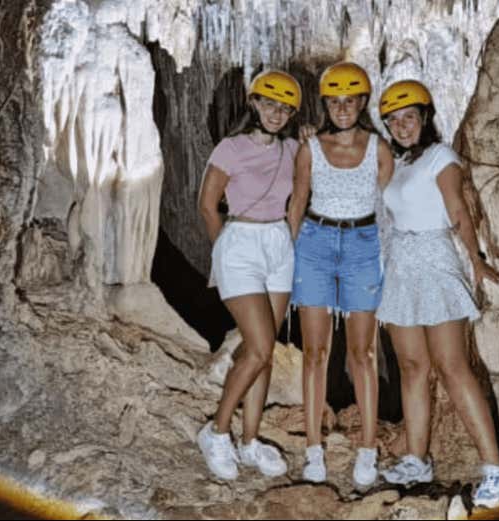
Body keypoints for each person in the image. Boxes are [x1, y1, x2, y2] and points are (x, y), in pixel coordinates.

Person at [375, 80, 499, 508]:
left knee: (452, 367)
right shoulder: (393, 165)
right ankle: (416, 457)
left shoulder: (441, 156)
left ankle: (494, 467)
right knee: (412, 366)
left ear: (424, 118)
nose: (402, 126)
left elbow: (457, 211)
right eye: (394, 121)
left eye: (409, 117)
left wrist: (475, 259)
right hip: (399, 264)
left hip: (434, 259)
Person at [287, 62, 394, 488]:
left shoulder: (378, 148)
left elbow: (391, 207)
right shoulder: (310, 148)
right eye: (335, 101)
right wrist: (289, 255)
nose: (343, 108)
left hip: (363, 243)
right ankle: (313, 447)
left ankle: (367, 449)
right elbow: (297, 202)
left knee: (362, 353)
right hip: (314, 241)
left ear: (363, 103)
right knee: (315, 351)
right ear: (326, 104)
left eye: (350, 100)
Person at [196, 70, 302, 481]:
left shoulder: (295, 148)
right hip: (240, 241)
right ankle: (217, 431)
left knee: (265, 350)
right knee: (257, 348)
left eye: (285, 107)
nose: (277, 113)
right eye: (270, 104)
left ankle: (250, 440)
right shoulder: (231, 148)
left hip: (278, 243)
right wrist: (224, 246)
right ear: (254, 104)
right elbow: (207, 204)